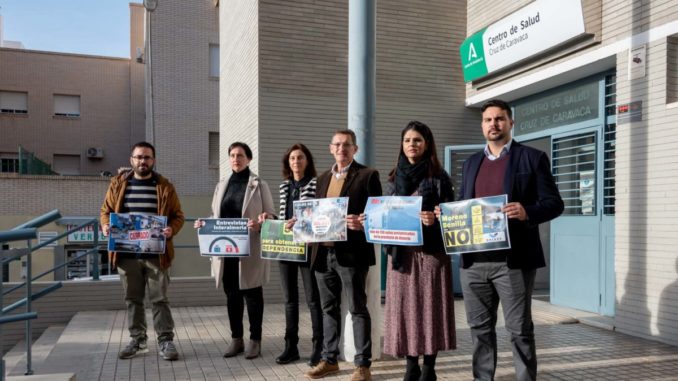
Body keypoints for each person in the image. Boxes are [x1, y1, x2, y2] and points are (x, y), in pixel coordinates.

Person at [455, 99, 564, 381]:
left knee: (519, 330)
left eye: (499, 119)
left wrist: (527, 211)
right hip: (474, 262)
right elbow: (463, 206)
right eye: (488, 120)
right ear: (482, 126)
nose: (494, 124)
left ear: (511, 122)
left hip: (512, 262)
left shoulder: (531, 158)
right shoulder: (470, 164)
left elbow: (554, 203)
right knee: (479, 330)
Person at [303, 130, 382, 381]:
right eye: (337, 145)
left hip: (351, 254)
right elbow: (315, 214)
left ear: (355, 149)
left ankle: (363, 365)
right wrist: (301, 221)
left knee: (358, 308)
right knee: (329, 309)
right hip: (323, 253)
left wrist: (363, 222)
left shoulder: (368, 175)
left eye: (346, 145)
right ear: (330, 148)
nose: (341, 149)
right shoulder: (322, 178)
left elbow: (377, 214)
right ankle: (329, 360)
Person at [381, 121, 456, 381]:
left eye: (417, 140)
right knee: (405, 310)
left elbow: (452, 216)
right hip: (402, 257)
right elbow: (385, 216)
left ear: (427, 144)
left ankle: (429, 367)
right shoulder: (393, 176)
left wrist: (436, 219)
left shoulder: (439, 176)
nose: (412, 145)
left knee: (430, 309)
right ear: (401, 145)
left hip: (430, 254)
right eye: (407, 140)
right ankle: (411, 365)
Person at [100, 141, 185, 361]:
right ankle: (137, 341)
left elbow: (178, 216)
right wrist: (105, 225)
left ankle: (165, 340)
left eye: (147, 157)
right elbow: (106, 211)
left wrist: (170, 230)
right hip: (126, 255)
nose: (143, 161)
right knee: (132, 299)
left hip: (156, 254)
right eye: (139, 157)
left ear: (153, 160)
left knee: (160, 299)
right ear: (131, 160)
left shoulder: (165, 186)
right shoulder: (118, 184)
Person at [194, 142, 275, 360]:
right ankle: (236, 339)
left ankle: (255, 340)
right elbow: (214, 215)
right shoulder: (222, 185)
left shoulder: (259, 185)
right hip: (225, 249)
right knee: (232, 296)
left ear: (249, 159)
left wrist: (260, 223)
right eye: (232, 155)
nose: (235, 159)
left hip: (250, 248)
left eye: (240, 155)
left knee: (252, 295)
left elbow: (271, 215)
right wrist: (204, 224)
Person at [259, 143, 324, 366]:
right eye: (292, 158)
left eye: (300, 157)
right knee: (289, 300)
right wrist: (271, 216)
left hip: (307, 246)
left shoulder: (316, 184)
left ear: (308, 161)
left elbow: (318, 215)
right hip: (286, 246)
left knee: (313, 299)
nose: (296, 161)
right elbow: (285, 216)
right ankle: (291, 347)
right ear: (288, 163)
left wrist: (302, 221)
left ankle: (318, 347)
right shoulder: (284, 186)